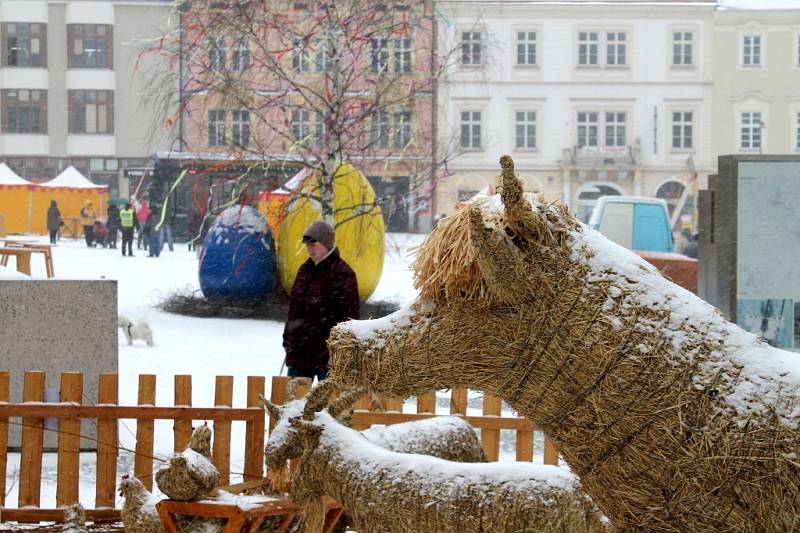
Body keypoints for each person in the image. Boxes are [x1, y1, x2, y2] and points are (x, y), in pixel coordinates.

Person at [282, 221, 360, 381]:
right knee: (294, 404)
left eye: (313, 243)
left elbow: (349, 318)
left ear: (326, 243)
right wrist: (288, 340)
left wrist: (340, 350)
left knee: (329, 404)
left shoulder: (343, 274)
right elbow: (294, 310)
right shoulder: (305, 271)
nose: (309, 248)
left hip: (328, 356)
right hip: (300, 352)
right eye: (307, 244)